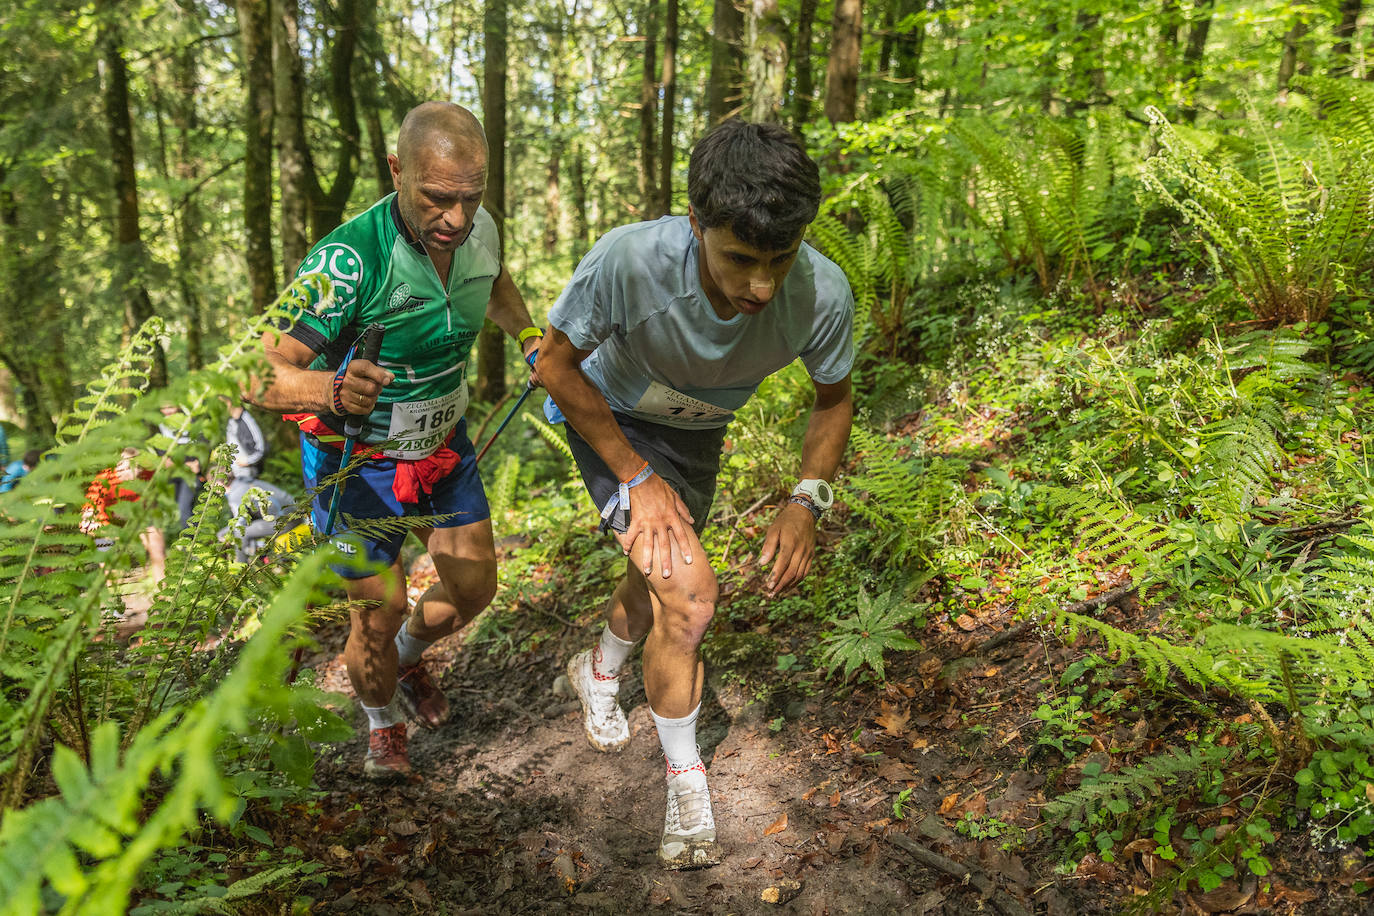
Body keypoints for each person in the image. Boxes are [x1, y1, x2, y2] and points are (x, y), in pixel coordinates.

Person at [539, 119, 855, 869]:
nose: (762, 286)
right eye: (741, 258)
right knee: (691, 598)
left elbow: (834, 399)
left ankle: (600, 672)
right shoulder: (630, 262)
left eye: (781, 258)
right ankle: (687, 787)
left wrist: (807, 498)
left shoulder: (822, 293)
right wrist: (635, 476)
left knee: (653, 586)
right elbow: (553, 365)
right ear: (694, 223)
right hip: (609, 419)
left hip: (697, 432)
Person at [249, 101, 543, 782]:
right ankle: (383, 727)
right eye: (438, 198)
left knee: (473, 587)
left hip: (443, 447)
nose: (457, 219)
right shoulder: (349, 261)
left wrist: (526, 333)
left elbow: (495, 282)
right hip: (358, 464)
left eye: (472, 198)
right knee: (375, 617)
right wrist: (330, 389)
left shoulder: (479, 230)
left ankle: (408, 660)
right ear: (396, 170)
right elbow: (258, 372)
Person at [81, 447, 168, 585]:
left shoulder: (149, 474)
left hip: (140, 513)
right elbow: (89, 514)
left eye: (130, 468)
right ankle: (113, 600)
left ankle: (165, 596)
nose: (123, 471)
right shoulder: (104, 481)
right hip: (108, 517)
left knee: (157, 549)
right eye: (120, 467)